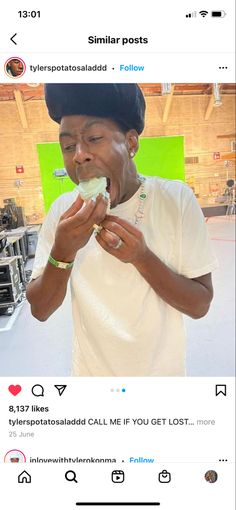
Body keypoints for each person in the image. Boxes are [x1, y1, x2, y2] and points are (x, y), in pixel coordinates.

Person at [26, 83, 218, 376]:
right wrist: (62, 252)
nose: (78, 155)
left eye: (94, 138)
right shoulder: (62, 212)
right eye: (67, 146)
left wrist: (141, 257)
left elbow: (199, 304)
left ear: (131, 144)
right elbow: (40, 310)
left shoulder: (175, 199)